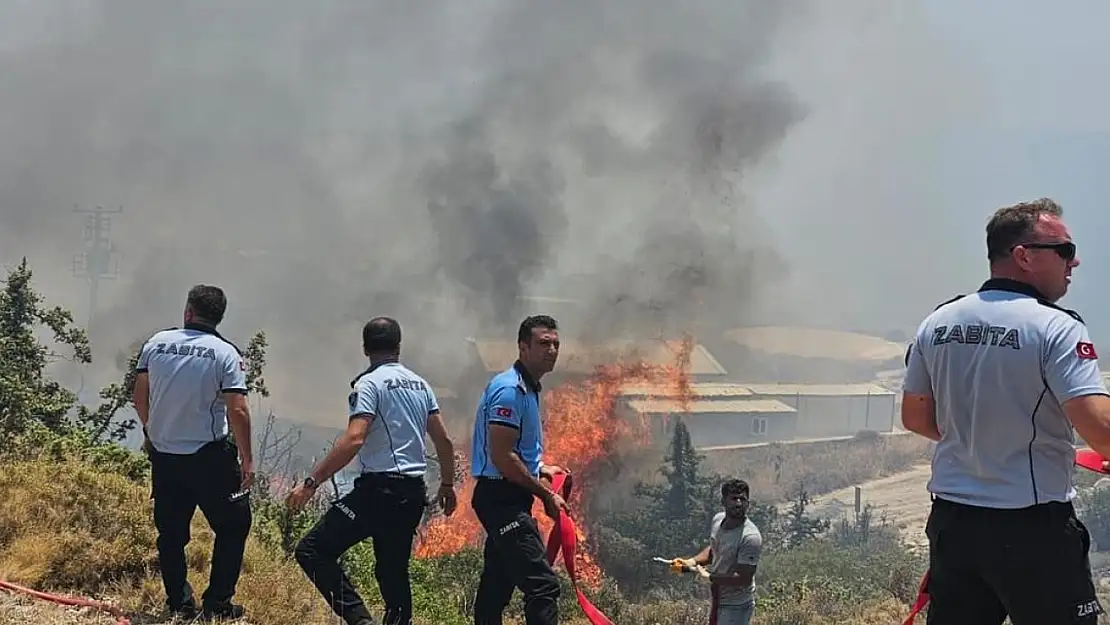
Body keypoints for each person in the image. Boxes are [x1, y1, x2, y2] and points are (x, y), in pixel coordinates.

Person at [902, 198, 1110, 624]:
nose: (1075, 262)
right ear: (1024, 256)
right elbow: (1101, 432)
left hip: (953, 526)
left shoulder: (937, 322)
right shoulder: (1056, 327)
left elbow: (916, 419)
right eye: (1065, 250)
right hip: (1032, 528)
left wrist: (982, 437)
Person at [287, 316, 458, 625]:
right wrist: (447, 484)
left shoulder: (369, 383)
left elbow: (355, 437)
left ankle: (360, 620)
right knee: (393, 571)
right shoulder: (421, 385)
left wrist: (311, 482)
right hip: (412, 492)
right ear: (399, 347)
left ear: (365, 348)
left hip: (379, 491)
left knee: (312, 551)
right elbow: (444, 441)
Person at [132, 284, 254, 621]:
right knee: (233, 525)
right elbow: (238, 410)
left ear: (188, 311)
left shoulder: (155, 343)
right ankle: (217, 603)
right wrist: (247, 459)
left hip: (165, 456)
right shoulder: (225, 353)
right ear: (219, 316)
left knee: (171, 533)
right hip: (209, 458)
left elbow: (139, 397)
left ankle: (178, 604)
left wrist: (150, 430)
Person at [470, 314, 569, 625]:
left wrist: (541, 467)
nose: (551, 350)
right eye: (543, 343)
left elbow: (517, 452)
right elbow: (502, 456)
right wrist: (546, 496)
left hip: (509, 495)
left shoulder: (529, 388)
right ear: (523, 347)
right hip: (501, 498)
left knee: (496, 588)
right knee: (543, 585)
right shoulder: (510, 390)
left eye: (555, 344)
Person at [675, 479, 762, 625]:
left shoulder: (750, 537)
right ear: (723, 501)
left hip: (736, 605)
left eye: (743, 499)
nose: (739, 503)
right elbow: (715, 548)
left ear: (748, 503)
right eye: (734, 498)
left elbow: (743, 578)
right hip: (718, 598)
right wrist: (692, 562)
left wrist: (710, 577)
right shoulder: (718, 520)